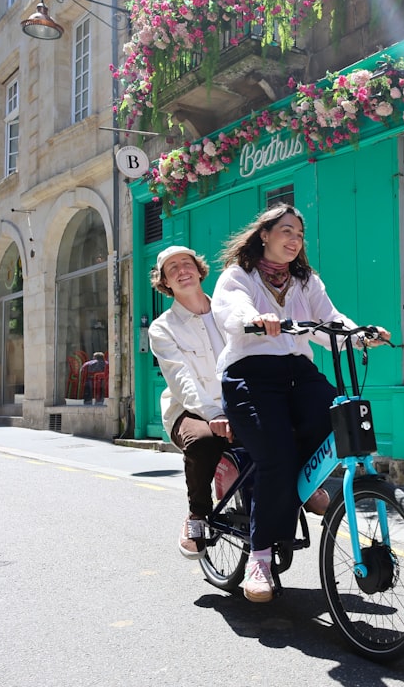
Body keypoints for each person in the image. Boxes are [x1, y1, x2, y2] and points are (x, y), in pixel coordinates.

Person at [212, 203, 389, 603]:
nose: (294, 241)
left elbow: (330, 320)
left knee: (338, 417)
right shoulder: (237, 276)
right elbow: (231, 312)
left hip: (296, 371)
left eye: (299, 235)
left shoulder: (306, 280)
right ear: (265, 234)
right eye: (286, 231)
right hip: (250, 374)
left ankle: (302, 482)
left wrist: (360, 334)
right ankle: (259, 558)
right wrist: (257, 318)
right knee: (274, 454)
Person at [148, 245, 232, 560]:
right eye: (173, 269)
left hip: (235, 403)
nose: (182, 271)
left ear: (199, 270)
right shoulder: (162, 328)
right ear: (165, 283)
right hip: (188, 410)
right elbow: (182, 380)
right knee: (204, 440)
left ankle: (300, 491)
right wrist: (213, 415)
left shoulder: (227, 312)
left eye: (187, 264)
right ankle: (197, 515)